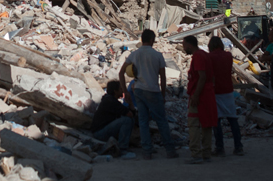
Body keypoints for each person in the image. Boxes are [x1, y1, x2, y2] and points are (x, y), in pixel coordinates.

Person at [118, 30, 177, 159]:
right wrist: (163, 95)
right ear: (152, 40)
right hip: (153, 90)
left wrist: (125, 91)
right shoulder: (158, 55)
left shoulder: (134, 54)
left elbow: (121, 72)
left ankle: (147, 151)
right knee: (161, 120)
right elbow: (163, 77)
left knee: (143, 121)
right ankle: (170, 150)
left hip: (138, 90)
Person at [182, 35, 218, 164]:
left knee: (194, 124)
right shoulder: (205, 55)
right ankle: (206, 153)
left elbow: (201, 76)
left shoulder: (197, 57)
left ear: (190, 45)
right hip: (207, 93)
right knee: (206, 124)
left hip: (200, 95)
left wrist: (196, 95)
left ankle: (196, 153)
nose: (183, 48)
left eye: (184, 45)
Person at [208, 36, 244, 157]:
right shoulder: (228, 56)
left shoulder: (210, 57)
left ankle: (220, 148)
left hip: (216, 91)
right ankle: (238, 146)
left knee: (216, 120)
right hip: (228, 90)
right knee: (232, 119)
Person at [91, 80, 137, 159]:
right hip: (100, 133)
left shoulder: (109, 99)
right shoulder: (111, 101)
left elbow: (130, 113)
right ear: (115, 91)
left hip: (102, 129)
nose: (122, 91)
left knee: (129, 120)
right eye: (120, 89)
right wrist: (130, 103)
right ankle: (123, 150)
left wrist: (130, 104)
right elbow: (129, 114)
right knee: (127, 120)